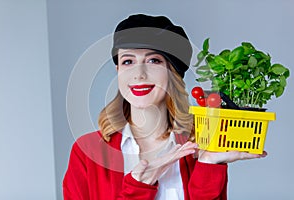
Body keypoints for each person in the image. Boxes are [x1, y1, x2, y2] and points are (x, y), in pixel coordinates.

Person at [63, 14, 267, 200]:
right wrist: (139, 187)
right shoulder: (87, 152)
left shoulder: (200, 144)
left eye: (153, 60)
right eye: (128, 61)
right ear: (118, 70)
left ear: (173, 72)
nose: (139, 74)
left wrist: (209, 165)